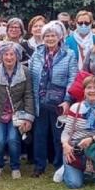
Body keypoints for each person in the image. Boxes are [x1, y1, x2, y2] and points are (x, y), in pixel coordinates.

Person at [28, 22, 78, 178]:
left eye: (53, 35)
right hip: (40, 100)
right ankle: (39, 165)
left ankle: (59, 164)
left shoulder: (69, 54)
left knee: (58, 135)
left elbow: (72, 78)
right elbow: (30, 76)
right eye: (47, 36)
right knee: (40, 134)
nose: (50, 38)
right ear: (43, 38)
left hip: (59, 101)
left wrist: (68, 100)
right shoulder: (36, 54)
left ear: (60, 37)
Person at [0, 42, 34, 179]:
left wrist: (28, 118)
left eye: (12, 54)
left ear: (17, 56)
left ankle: (15, 166)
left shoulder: (25, 72)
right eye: (6, 54)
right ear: (1, 56)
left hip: (17, 115)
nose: (9, 57)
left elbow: (29, 95)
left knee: (12, 139)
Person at [60, 75, 95, 188]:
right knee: (74, 184)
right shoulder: (75, 108)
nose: (92, 91)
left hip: (93, 146)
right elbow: (66, 131)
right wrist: (65, 145)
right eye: (89, 88)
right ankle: (67, 170)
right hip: (75, 147)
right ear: (84, 91)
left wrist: (91, 139)